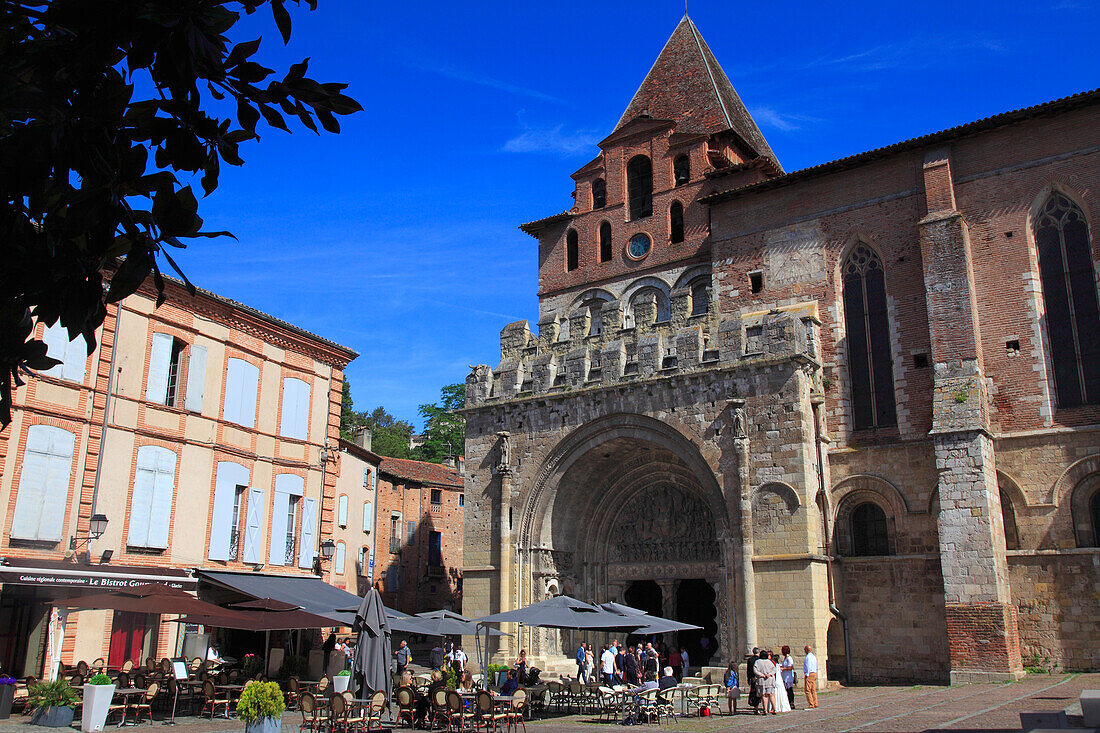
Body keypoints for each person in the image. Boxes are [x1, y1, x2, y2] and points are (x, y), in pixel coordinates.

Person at [753, 649, 777, 715]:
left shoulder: (757, 662)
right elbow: (774, 669)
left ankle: (765, 710)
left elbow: (755, 670)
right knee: (771, 694)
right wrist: (769, 674)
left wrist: (762, 675)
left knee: (764, 695)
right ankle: (774, 709)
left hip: (762, 679)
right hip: (769, 679)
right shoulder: (769, 662)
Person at [779, 645, 796, 710]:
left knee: (789, 690)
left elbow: (790, 667)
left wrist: (783, 669)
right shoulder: (785, 658)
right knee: (787, 690)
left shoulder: (789, 658)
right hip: (784, 676)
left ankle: (791, 702)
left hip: (788, 676)